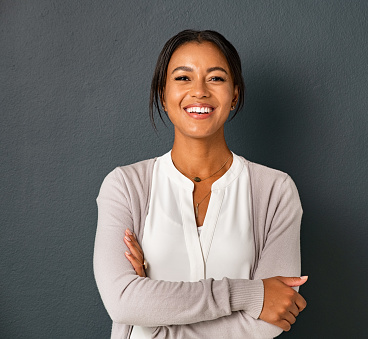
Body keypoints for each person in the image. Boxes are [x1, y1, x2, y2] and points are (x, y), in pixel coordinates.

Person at [94, 29, 306, 339]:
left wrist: (151, 322)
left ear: (234, 95)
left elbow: (268, 322)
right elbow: (122, 302)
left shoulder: (275, 191)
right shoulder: (125, 186)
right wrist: (248, 295)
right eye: (183, 78)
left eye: (216, 78)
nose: (199, 91)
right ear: (162, 94)